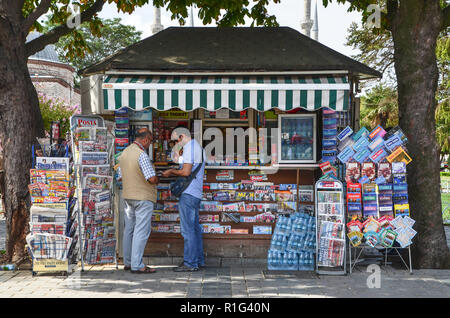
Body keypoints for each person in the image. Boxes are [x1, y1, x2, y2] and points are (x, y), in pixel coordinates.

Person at [161, 126, 205, 272]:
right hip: (196, 193)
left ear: (181, 137)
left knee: (188, 230)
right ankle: (198, 260)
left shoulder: (189, 148)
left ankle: (190, 263)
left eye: (175, 141)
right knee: (194, 229)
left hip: (189, 193)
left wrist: (171, 171)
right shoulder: (198, 147)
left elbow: (186, 172)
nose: (174, 144)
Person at [117, 128, 159, 274]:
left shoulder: (124, 153)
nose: (150, 144)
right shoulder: (141, 155)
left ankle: (128, 262)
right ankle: (137, 265)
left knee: (129, 229)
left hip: (128, 196)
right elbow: (151, 179)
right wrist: (157, 176)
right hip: (142, 197)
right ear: (146, 139)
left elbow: (120, 177)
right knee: (141, 231)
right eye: (150, 141)